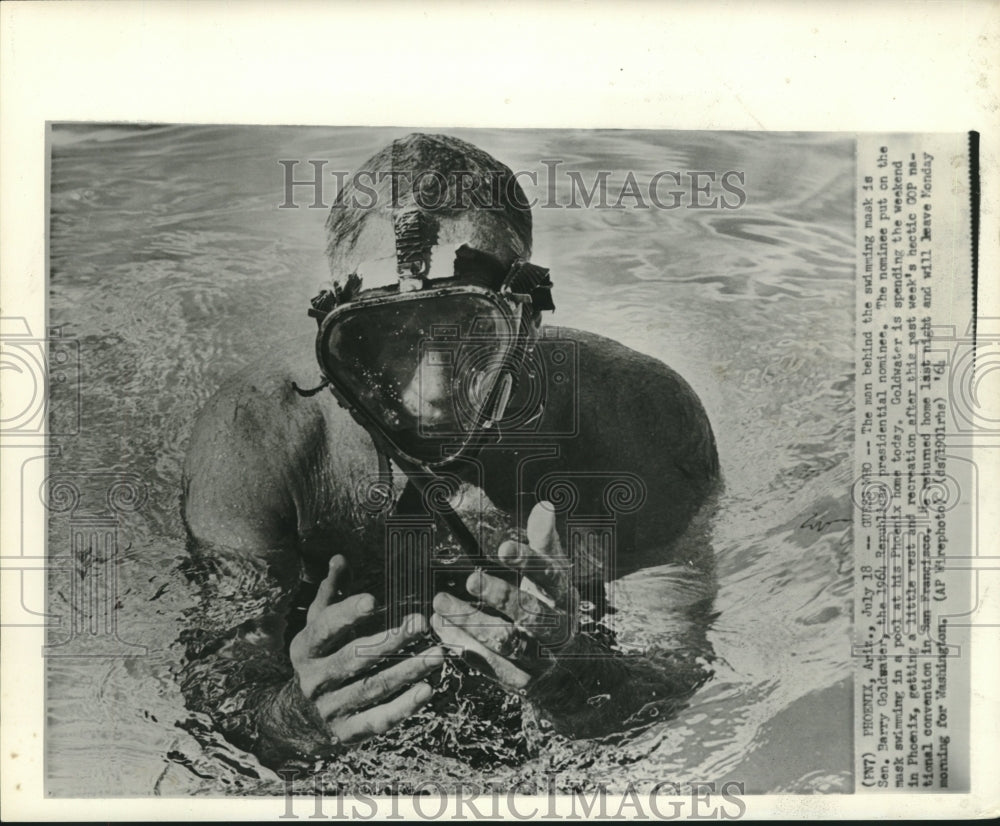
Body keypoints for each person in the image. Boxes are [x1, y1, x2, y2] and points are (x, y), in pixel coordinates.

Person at [179, 133, 720, 771]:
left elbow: (670, 681)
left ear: (526, 327)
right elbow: (219, 683)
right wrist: (296, 717)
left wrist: (580, 677)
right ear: (336, 337)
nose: (433, 391)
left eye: (470, 334)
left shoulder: (635, 417)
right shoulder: (258, 437)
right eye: (388, 340)